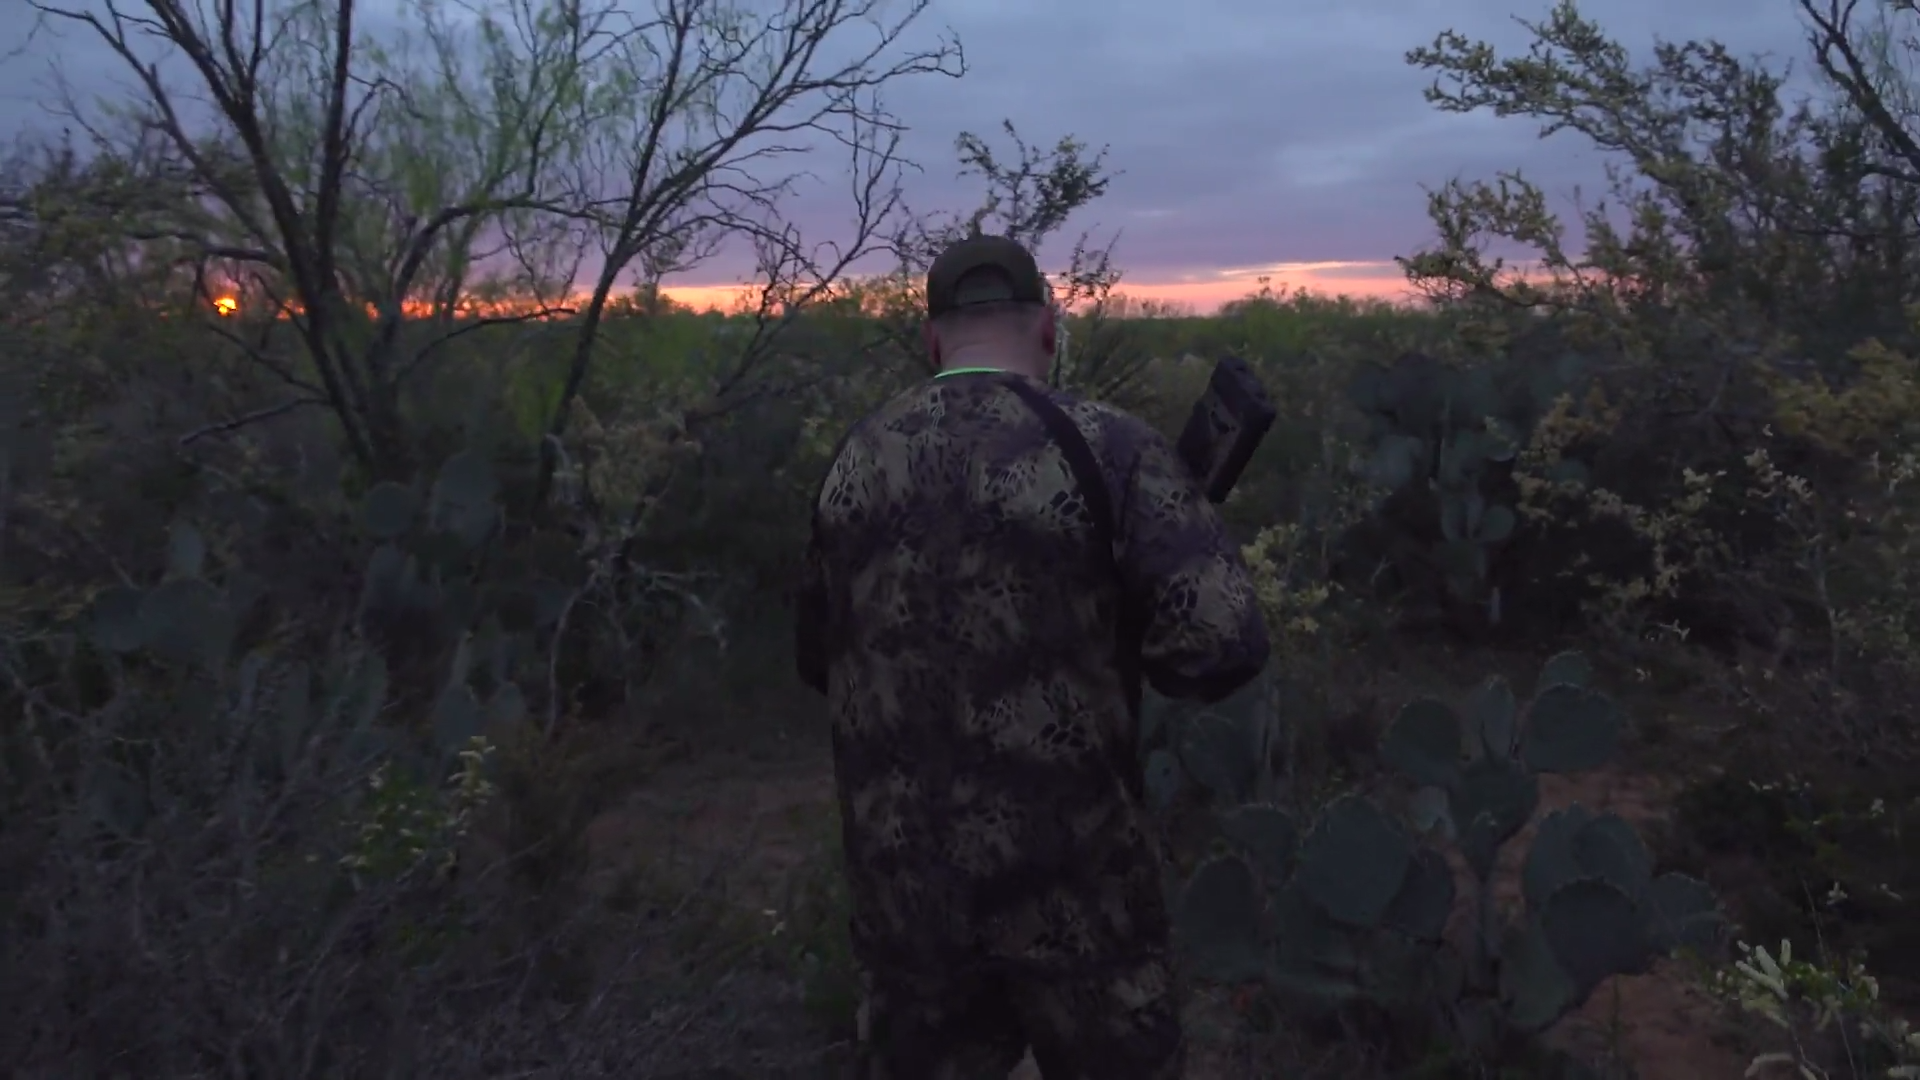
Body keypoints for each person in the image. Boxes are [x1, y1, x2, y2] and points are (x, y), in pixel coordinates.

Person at [794, 233, 1271, 1079]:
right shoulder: (1109, 448)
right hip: (1078, 900)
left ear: (932, 340)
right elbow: (1219, 650)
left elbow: (817, 657)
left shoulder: (853, 460)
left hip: (906, 902)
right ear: (1049, 330)